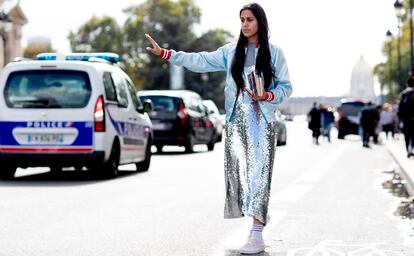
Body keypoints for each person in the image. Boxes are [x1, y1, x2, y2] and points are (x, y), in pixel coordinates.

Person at [145, 3, 292, 254]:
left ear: (260, 23)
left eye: (250, 20)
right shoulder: (231, 52)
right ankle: (252, 229)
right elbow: (200, 60)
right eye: (242, 20)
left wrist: (266, 94)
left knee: (260, 177)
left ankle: (257, 235)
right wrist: (167, 54)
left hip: (262, 124)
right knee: (239, 177)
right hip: (236, 124)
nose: (245, 24)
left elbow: (287, 88)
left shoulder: (274, 53)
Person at [398, 76, 414, 158]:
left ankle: (408, 147)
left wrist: (400, 119)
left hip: (405, 118)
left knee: (406, 134)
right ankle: (411, 147)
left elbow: (400, 108)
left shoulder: (403, 94)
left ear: (407, 84)